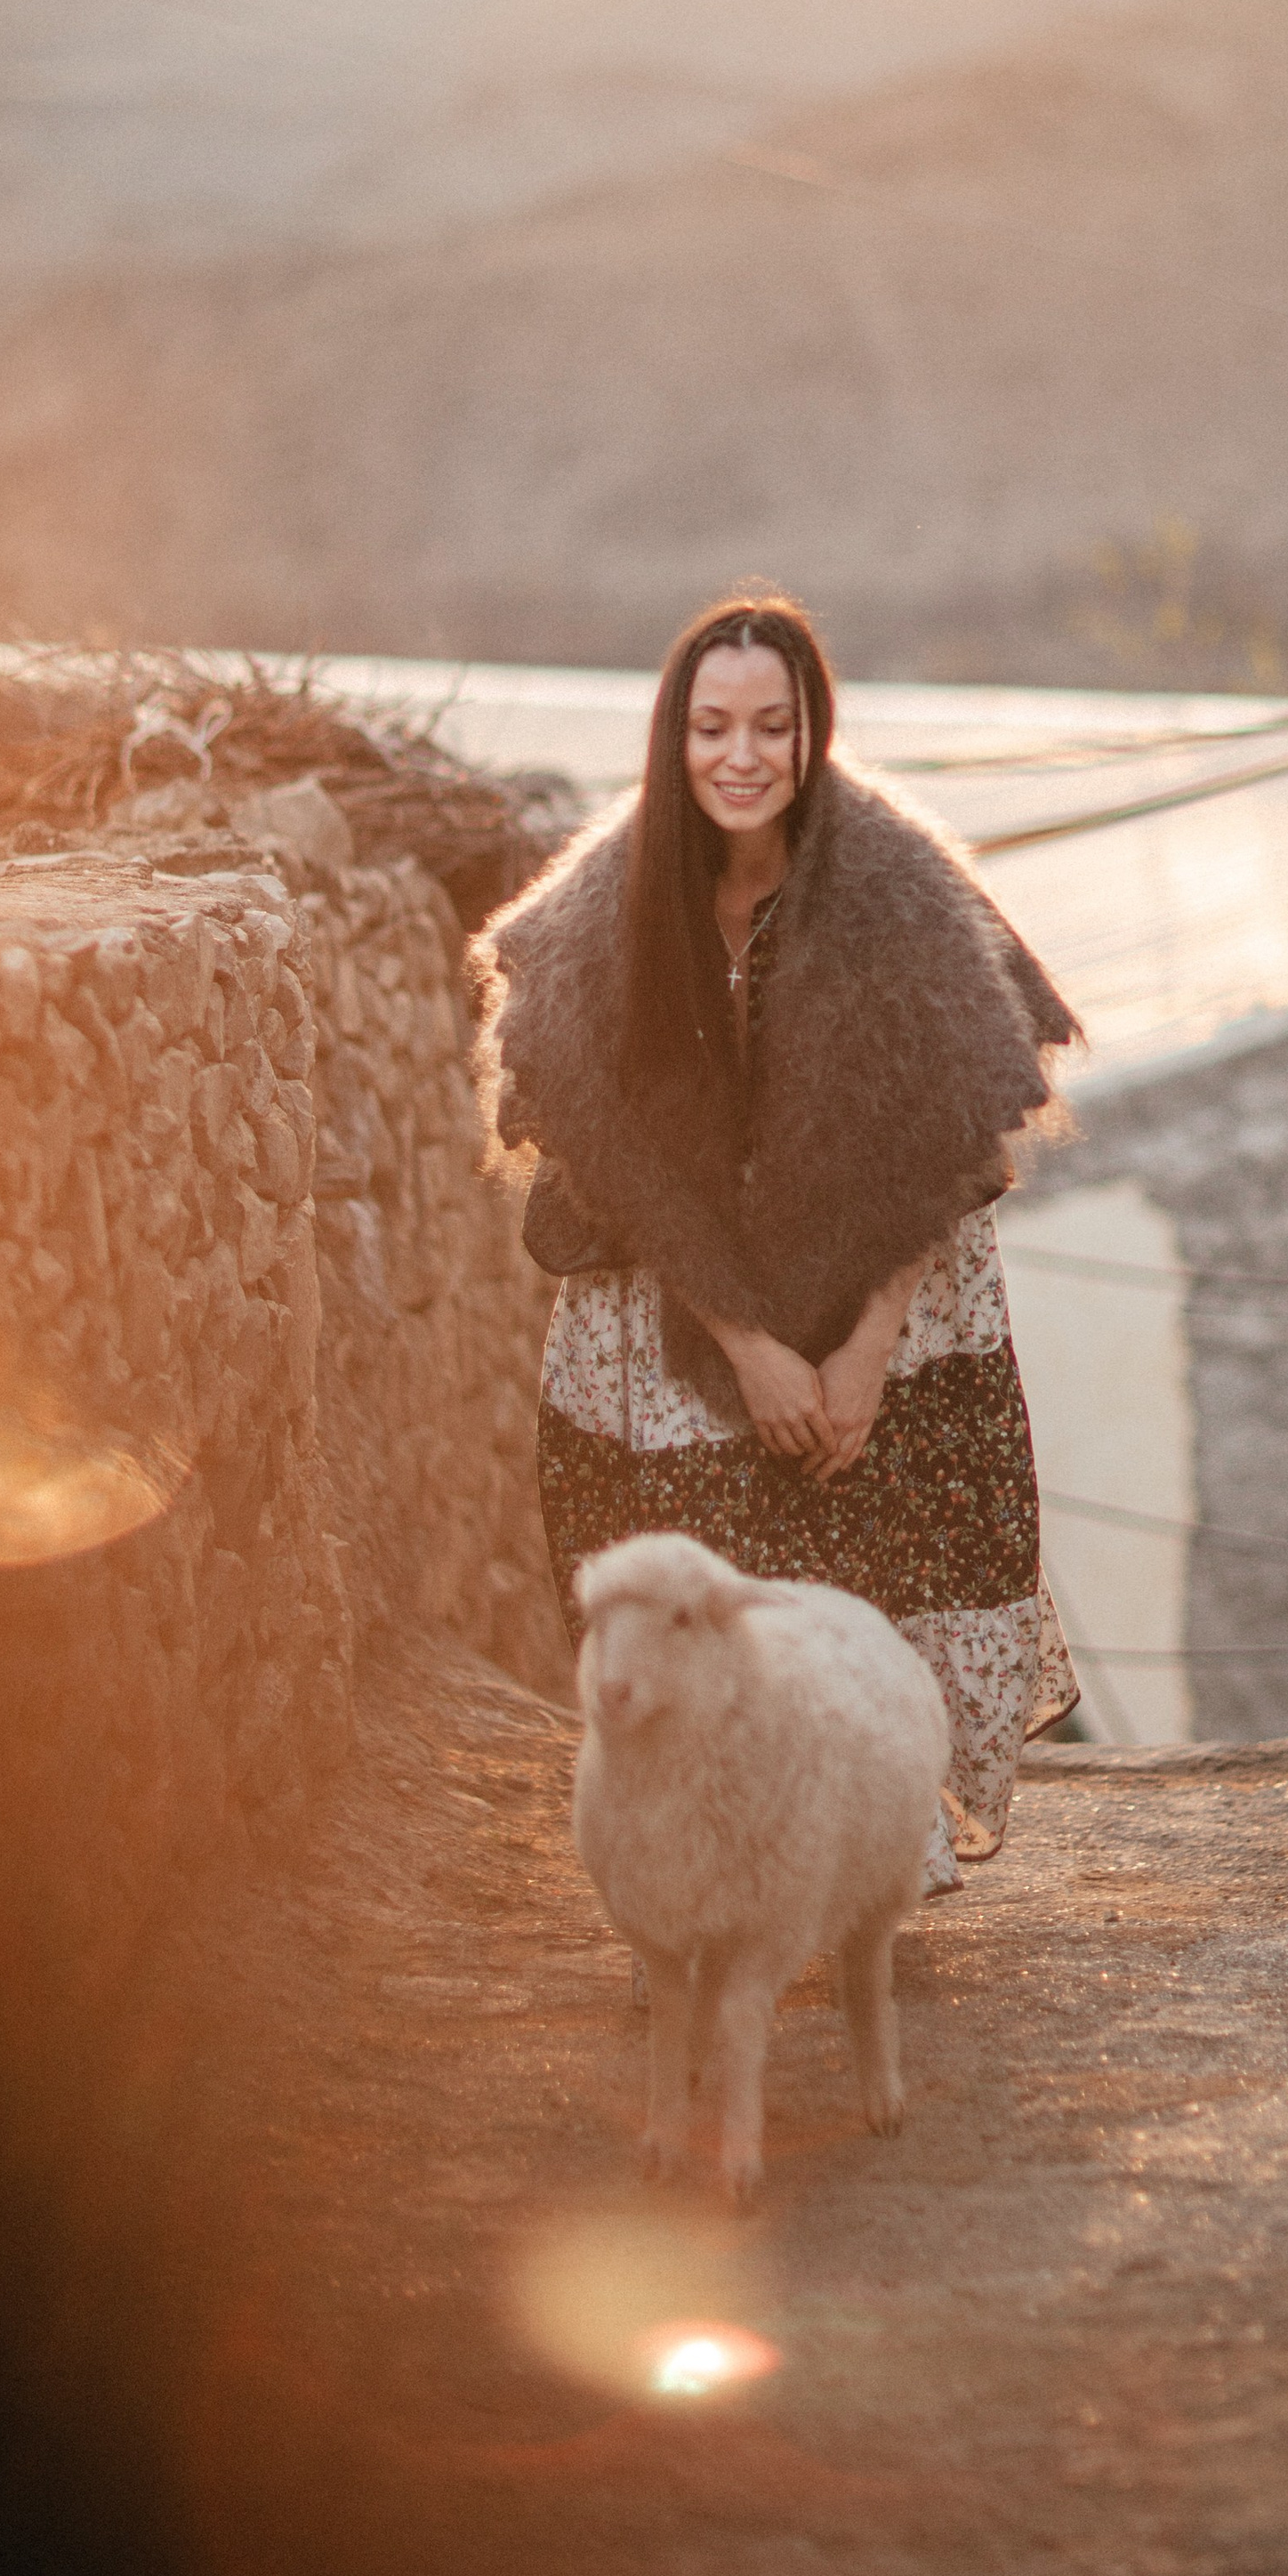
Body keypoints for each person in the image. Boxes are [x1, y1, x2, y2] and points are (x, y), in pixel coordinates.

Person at [474, 591, 1081, 1891]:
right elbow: (595, 1152)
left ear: (813, 733)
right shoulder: (606, 904)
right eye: (709, 727)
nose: (739, 757)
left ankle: (864, 1859)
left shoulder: (900, 888)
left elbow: (953, 1139)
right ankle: (704, 1865)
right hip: (670, 1309)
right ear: (671, 736)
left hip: (890, 1307)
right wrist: (745, 1342)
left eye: (772, 726)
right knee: (705, 1599)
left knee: (871, 1576)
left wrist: (863, 1348)